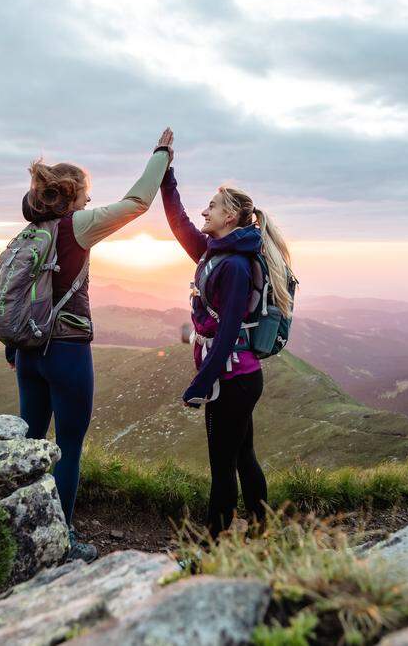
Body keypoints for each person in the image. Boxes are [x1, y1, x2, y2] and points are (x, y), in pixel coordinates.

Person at [6, 128, 174, 562]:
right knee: (68, 448)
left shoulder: (32, 232)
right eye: (86, 193)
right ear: (73, 194)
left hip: (28, 352)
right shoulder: (74, 226)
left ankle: (18, 525)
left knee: (31, 442)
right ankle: (62, 539)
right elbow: (136, 204)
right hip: (66, 353)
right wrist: (161, 155)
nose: (88, 201)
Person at [160, 155, 294, 538]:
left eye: (213, 207)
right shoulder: (212, 252)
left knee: (223, 466)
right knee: (242, 456)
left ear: (231, 216)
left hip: (232, 381)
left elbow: (229, 331)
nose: (205, 211)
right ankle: (261, 530)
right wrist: (166, 174)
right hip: (238, 377)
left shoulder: (233, 266)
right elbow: (178, 223)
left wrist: (201, 384)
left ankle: (210, 547)